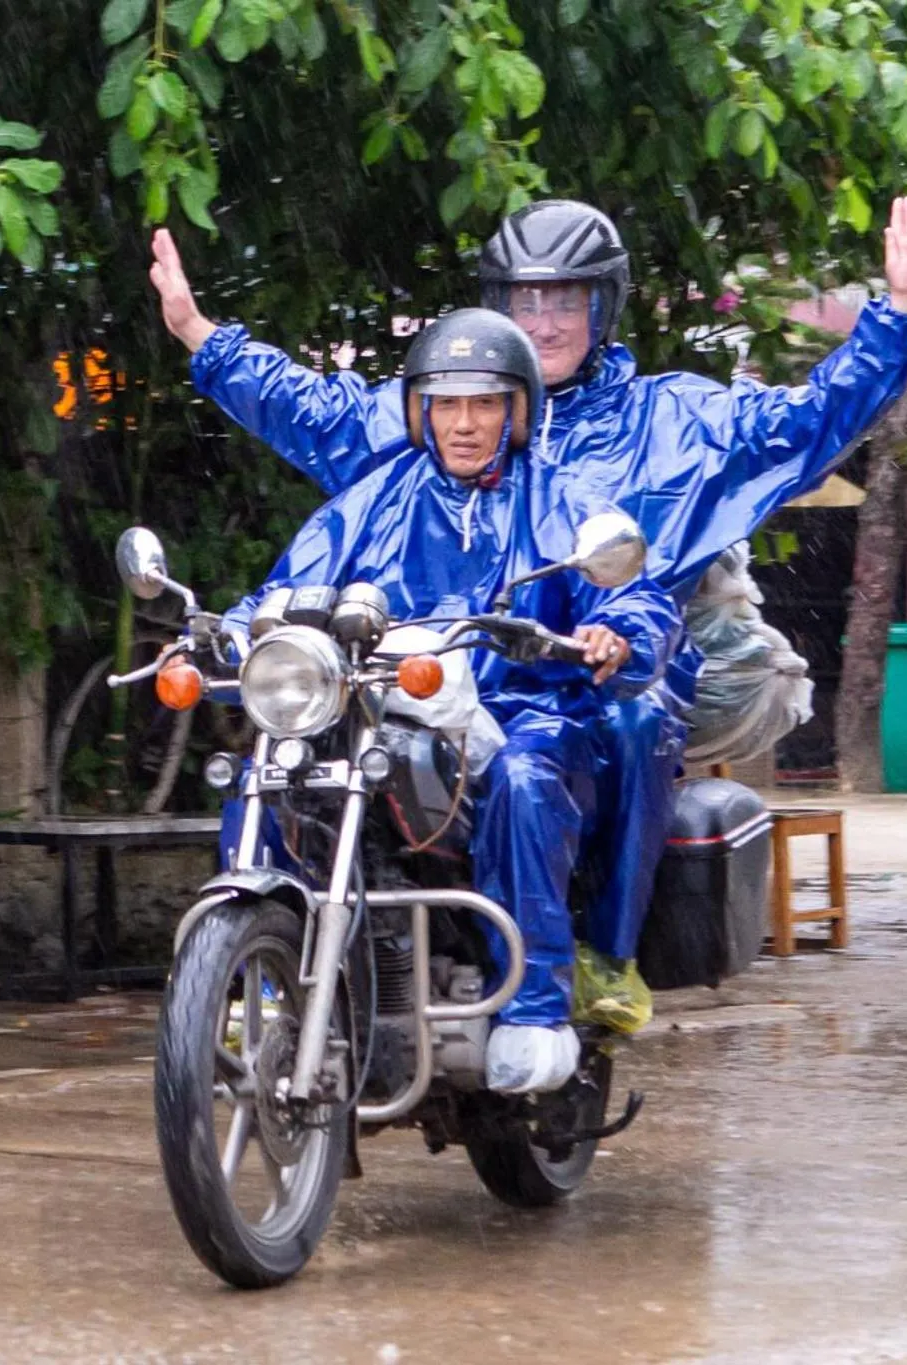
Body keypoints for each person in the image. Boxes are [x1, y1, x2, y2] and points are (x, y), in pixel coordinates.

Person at [157, 196, 907, 1024]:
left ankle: (602, 956)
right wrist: (200, 335)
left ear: (603, 304)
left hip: (613, 659)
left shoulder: (676, 419)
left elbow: (807, 422)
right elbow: (310, 410)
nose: (545, 319)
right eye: (525, 300)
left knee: (625, 724)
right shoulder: (451, 399)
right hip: (450, 672)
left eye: (565, 298)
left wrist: (899, 316)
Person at [222, 310, 677, 1095]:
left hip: (526, 716)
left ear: (518, 409)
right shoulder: (374, 500)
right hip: (387, 713)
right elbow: (283, 589)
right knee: (268, 773)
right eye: (445, 403)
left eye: (485, 403)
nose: (464, 423)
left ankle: (533, 1007)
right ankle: (255, 981)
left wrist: (615, 631)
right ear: (419, 411)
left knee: (527, 782)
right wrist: (225, 632)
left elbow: (640, 593)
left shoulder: (564, 500)